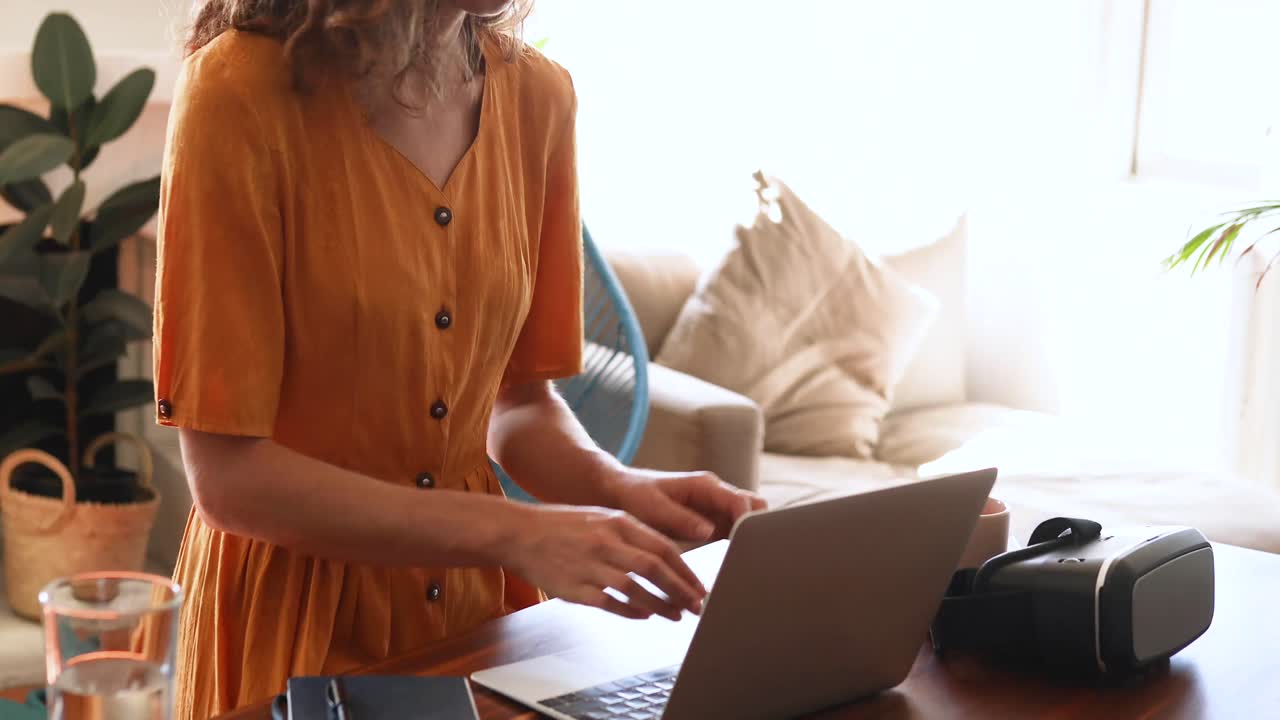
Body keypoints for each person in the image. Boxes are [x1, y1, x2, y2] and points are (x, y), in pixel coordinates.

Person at [154, 1, 766, 717]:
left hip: (475, 624)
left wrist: (619, 487)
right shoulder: (235, 91)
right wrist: (516, 533)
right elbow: (228, 479)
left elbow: (517, 402)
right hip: (291, 623)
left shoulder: (539, 96)